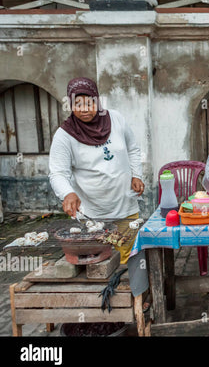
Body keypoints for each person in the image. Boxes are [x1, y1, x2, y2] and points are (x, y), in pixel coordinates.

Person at [49, 77, 144, 262]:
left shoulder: (116, 119)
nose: (84, 108)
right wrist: (67, 193)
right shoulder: (65, 135)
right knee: (98, 262)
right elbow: (58, 172)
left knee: (131, 260)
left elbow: (133, 148)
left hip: (124, 207)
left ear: (97, 101)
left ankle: (135, 291)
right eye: (77, 103)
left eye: (89, 102)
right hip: (92, 216)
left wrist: (137, 175)